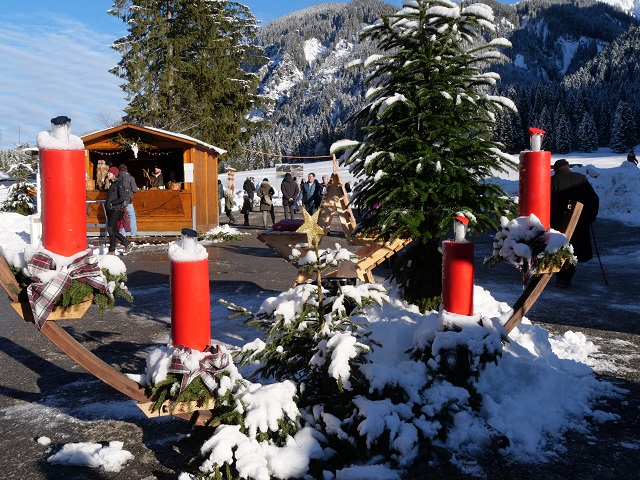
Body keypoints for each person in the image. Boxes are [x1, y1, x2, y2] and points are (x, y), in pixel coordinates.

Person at [550, 159, 599, 288]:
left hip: (558, 222)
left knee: (561, 249)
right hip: (580, 220)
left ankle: (562, 278)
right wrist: (591, 216)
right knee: (575, 248)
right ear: (568, 168)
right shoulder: (580, 178)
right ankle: (567, 276)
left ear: (556, 170)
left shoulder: (552, 181)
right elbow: (594, 199)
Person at [105, 166, 134, 255]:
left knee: (110, 229)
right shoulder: (112, 184)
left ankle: (126, 243)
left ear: (113, 174)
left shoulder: (119, 184)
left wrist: (112, 203)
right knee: (112, 230)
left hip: (116, 209)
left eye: (109, 173)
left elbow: (122, 197)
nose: (107, 174)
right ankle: (112, 250)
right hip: (111, 210)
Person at [117, 163, 139, 237]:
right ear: (126, 169)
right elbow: (135, 189)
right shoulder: (130, 178)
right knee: (131, 215)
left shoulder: (117, 177)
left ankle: (122, 233)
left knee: (121, 216)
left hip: (119, 200)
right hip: (127, 199)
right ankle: (133, 232)